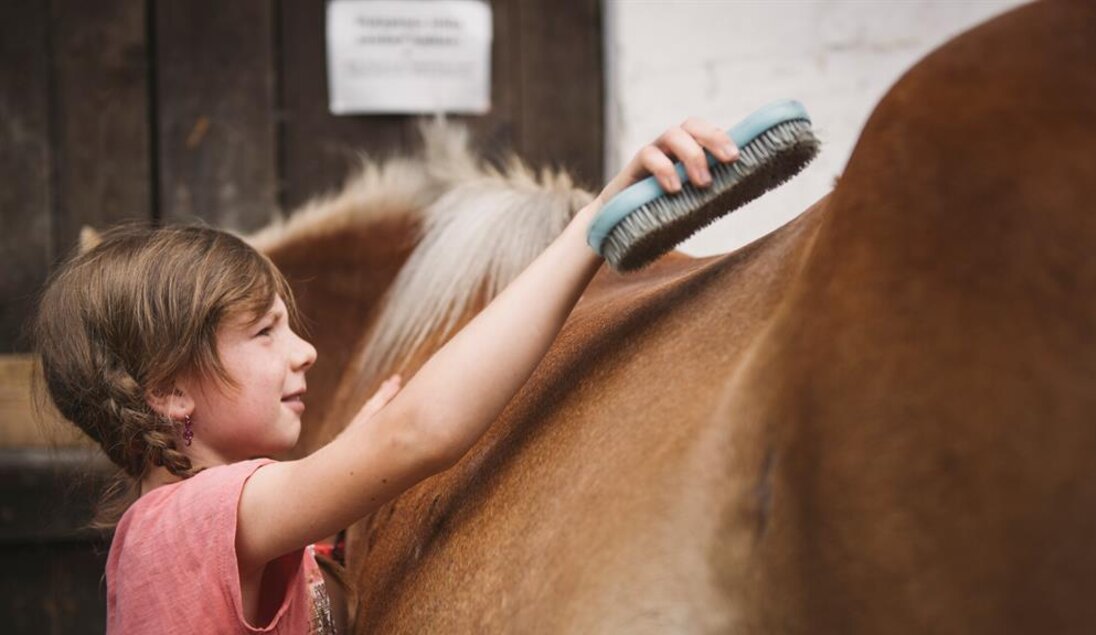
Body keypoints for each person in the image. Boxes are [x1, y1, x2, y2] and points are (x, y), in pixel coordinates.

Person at [32, 118, 740, 633]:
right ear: (169, 389)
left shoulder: (239, 530)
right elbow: (421, 433)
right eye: (265, 331)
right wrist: (589, 228)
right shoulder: (178, 524)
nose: (304, 351)